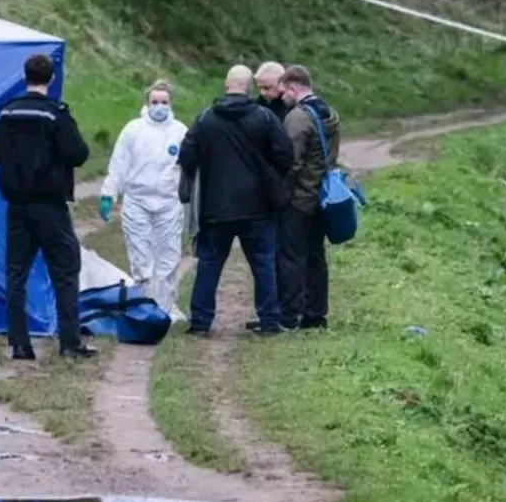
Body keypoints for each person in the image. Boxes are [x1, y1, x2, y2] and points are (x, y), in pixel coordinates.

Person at [0, 54, 96, 361]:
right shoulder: (55, 114)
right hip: (50, 206)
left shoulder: (5, 113)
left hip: (17, 206)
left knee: (16, 274)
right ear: (51, 78)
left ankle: (20, 344)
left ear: (25, 76)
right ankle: (70, 342)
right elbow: (79, 153)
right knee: (65, 270)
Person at [177, 64, 294, 336]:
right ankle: (268, 321)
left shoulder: (206, 118)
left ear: (226, 86)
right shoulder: (264, 118)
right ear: (249, 88)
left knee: (208, 265)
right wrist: (267, 173)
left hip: (215, 207)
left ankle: (200, 322)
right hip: (258, 207)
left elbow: (186, 155)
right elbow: (285, 155)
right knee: (263, 265)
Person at [99, 80, 189, 322]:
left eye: (164, 102)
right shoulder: (133, 130)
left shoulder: (180, 131)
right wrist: (109, 193)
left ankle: (167, 306)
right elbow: (119, 164)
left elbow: (189, 167)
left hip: (169, 202)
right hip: (137, 201)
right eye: (155, 102)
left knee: (168, 258)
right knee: (141, 258)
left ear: (170, 104)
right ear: (147, 103)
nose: (159, 107)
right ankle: (145, 307)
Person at [276, 65, 341, 330]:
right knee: (316, 256)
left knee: (292, 257)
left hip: (300, 199)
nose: (282, 98)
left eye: (284, 92)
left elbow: (291, 162)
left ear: (293, 87)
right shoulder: (330, 113)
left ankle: (289, 315)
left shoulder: (298, 118)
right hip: (322, 197)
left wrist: (280, 194)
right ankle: (316, 313)